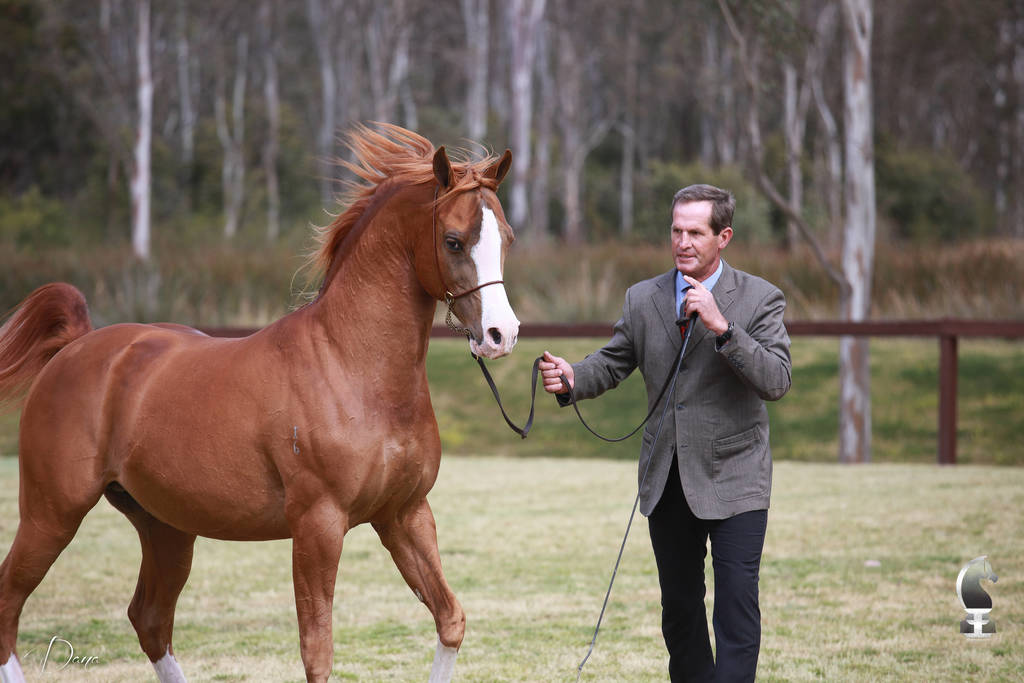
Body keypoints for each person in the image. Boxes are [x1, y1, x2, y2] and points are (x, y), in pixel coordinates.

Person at [540, 184, 791, 682]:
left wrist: (723, 329)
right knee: (680, 614)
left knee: (737, 611)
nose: (683, 242)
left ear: (724, 237)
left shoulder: (760, 298)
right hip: (667, 479)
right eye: (676, 230)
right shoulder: (643, 298)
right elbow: (612, 363)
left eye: (695, 232)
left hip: (737, 479)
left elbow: (777, 380)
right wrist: (573, 377)